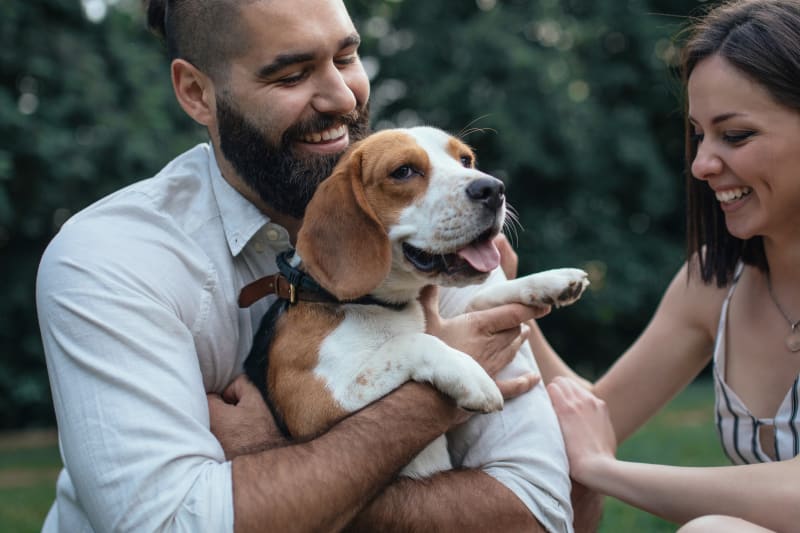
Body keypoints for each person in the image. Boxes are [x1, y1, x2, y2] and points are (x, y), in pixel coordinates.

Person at [35, 0, 576, 531]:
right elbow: (169, 525)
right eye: (291, 75)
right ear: (198, 93)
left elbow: (541, 512)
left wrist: (263, 457)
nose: (343, 97)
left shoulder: (433, 232)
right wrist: (426, 406)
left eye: (346, 58)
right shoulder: (110, 260)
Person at [528, 0, 800, 531]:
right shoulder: (715, 284)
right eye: (699, 135)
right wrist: (506, 300)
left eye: (735, 135)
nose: (702, 164)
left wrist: (604, 471)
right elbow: (594, 417)